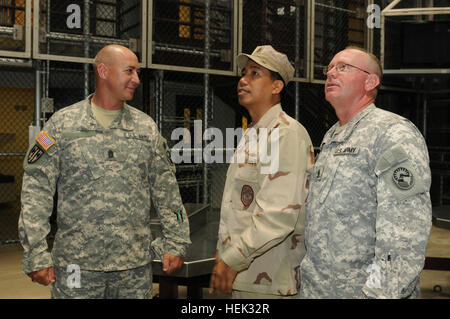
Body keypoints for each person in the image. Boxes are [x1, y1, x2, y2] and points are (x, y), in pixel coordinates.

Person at [18, 44, 191, 299]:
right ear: (103, 71)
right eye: (129, 71)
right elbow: (36, 192)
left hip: (133, 267)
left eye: (137, 72)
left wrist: (177, 241)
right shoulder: (62, 124)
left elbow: (168, 193)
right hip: (77, 266)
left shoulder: (146, 128)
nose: (136, 79)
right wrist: (36, 253)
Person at [299, 46, 432, 299]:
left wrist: (379, 294)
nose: (331, 73)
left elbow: (404, 233)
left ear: (371, 81)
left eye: (343, 67)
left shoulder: (392, 133)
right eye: (329, 68)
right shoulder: (332, 136)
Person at [209, 45, 314, 298]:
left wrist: (232, 259)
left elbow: (277, 214)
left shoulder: (285, 134)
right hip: (245, 274)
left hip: (269, 280)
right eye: (243, 73)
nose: (243, 80)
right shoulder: (255, 132)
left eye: (255, 73)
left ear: (276, 87)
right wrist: (223, 252)